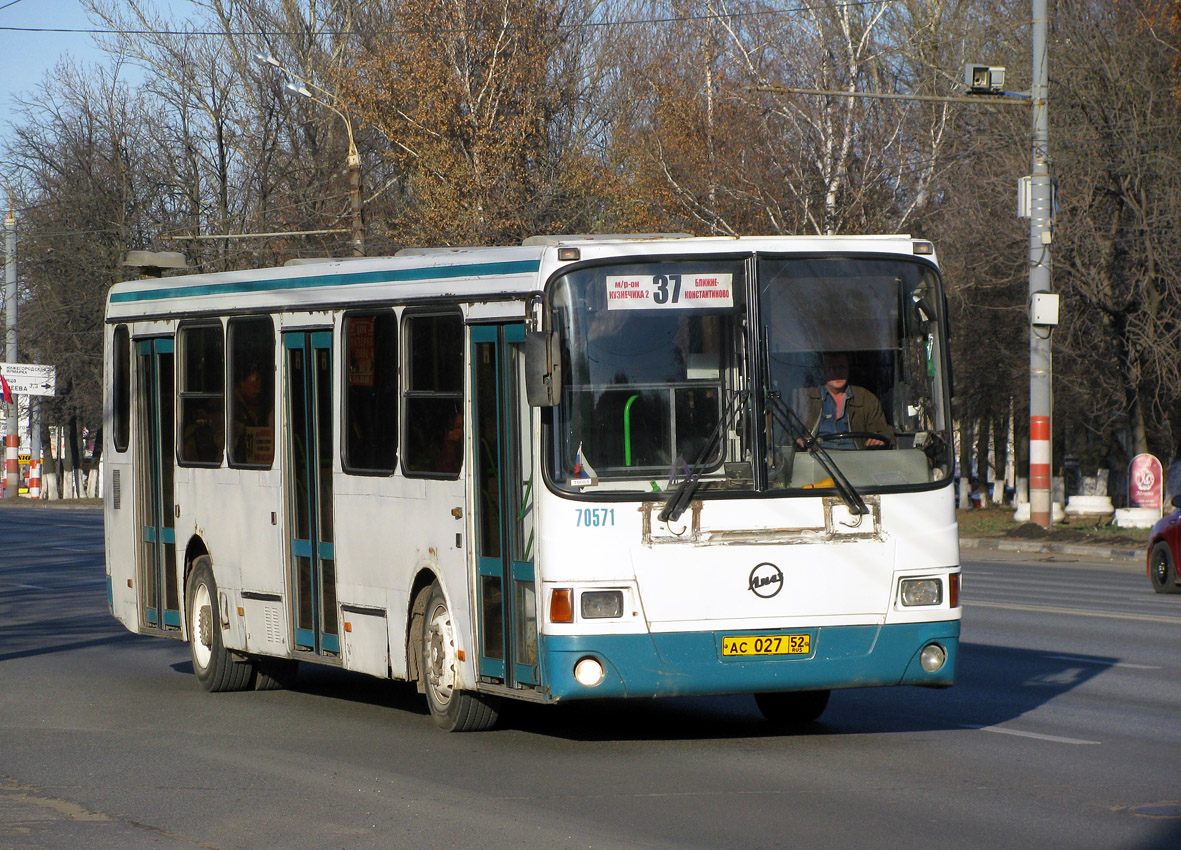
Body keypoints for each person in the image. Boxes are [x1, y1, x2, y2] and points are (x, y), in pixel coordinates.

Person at [794, 352, 893, 450]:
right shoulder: (804, 398)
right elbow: (787, 430)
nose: (836, 373)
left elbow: (883, 432)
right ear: (821, 371)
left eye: (841, 367)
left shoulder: (866, 398)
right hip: (816, 459)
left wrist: (879, 438)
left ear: (848, 369)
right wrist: (797, 438)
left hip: (857, 460)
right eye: (831, 368)